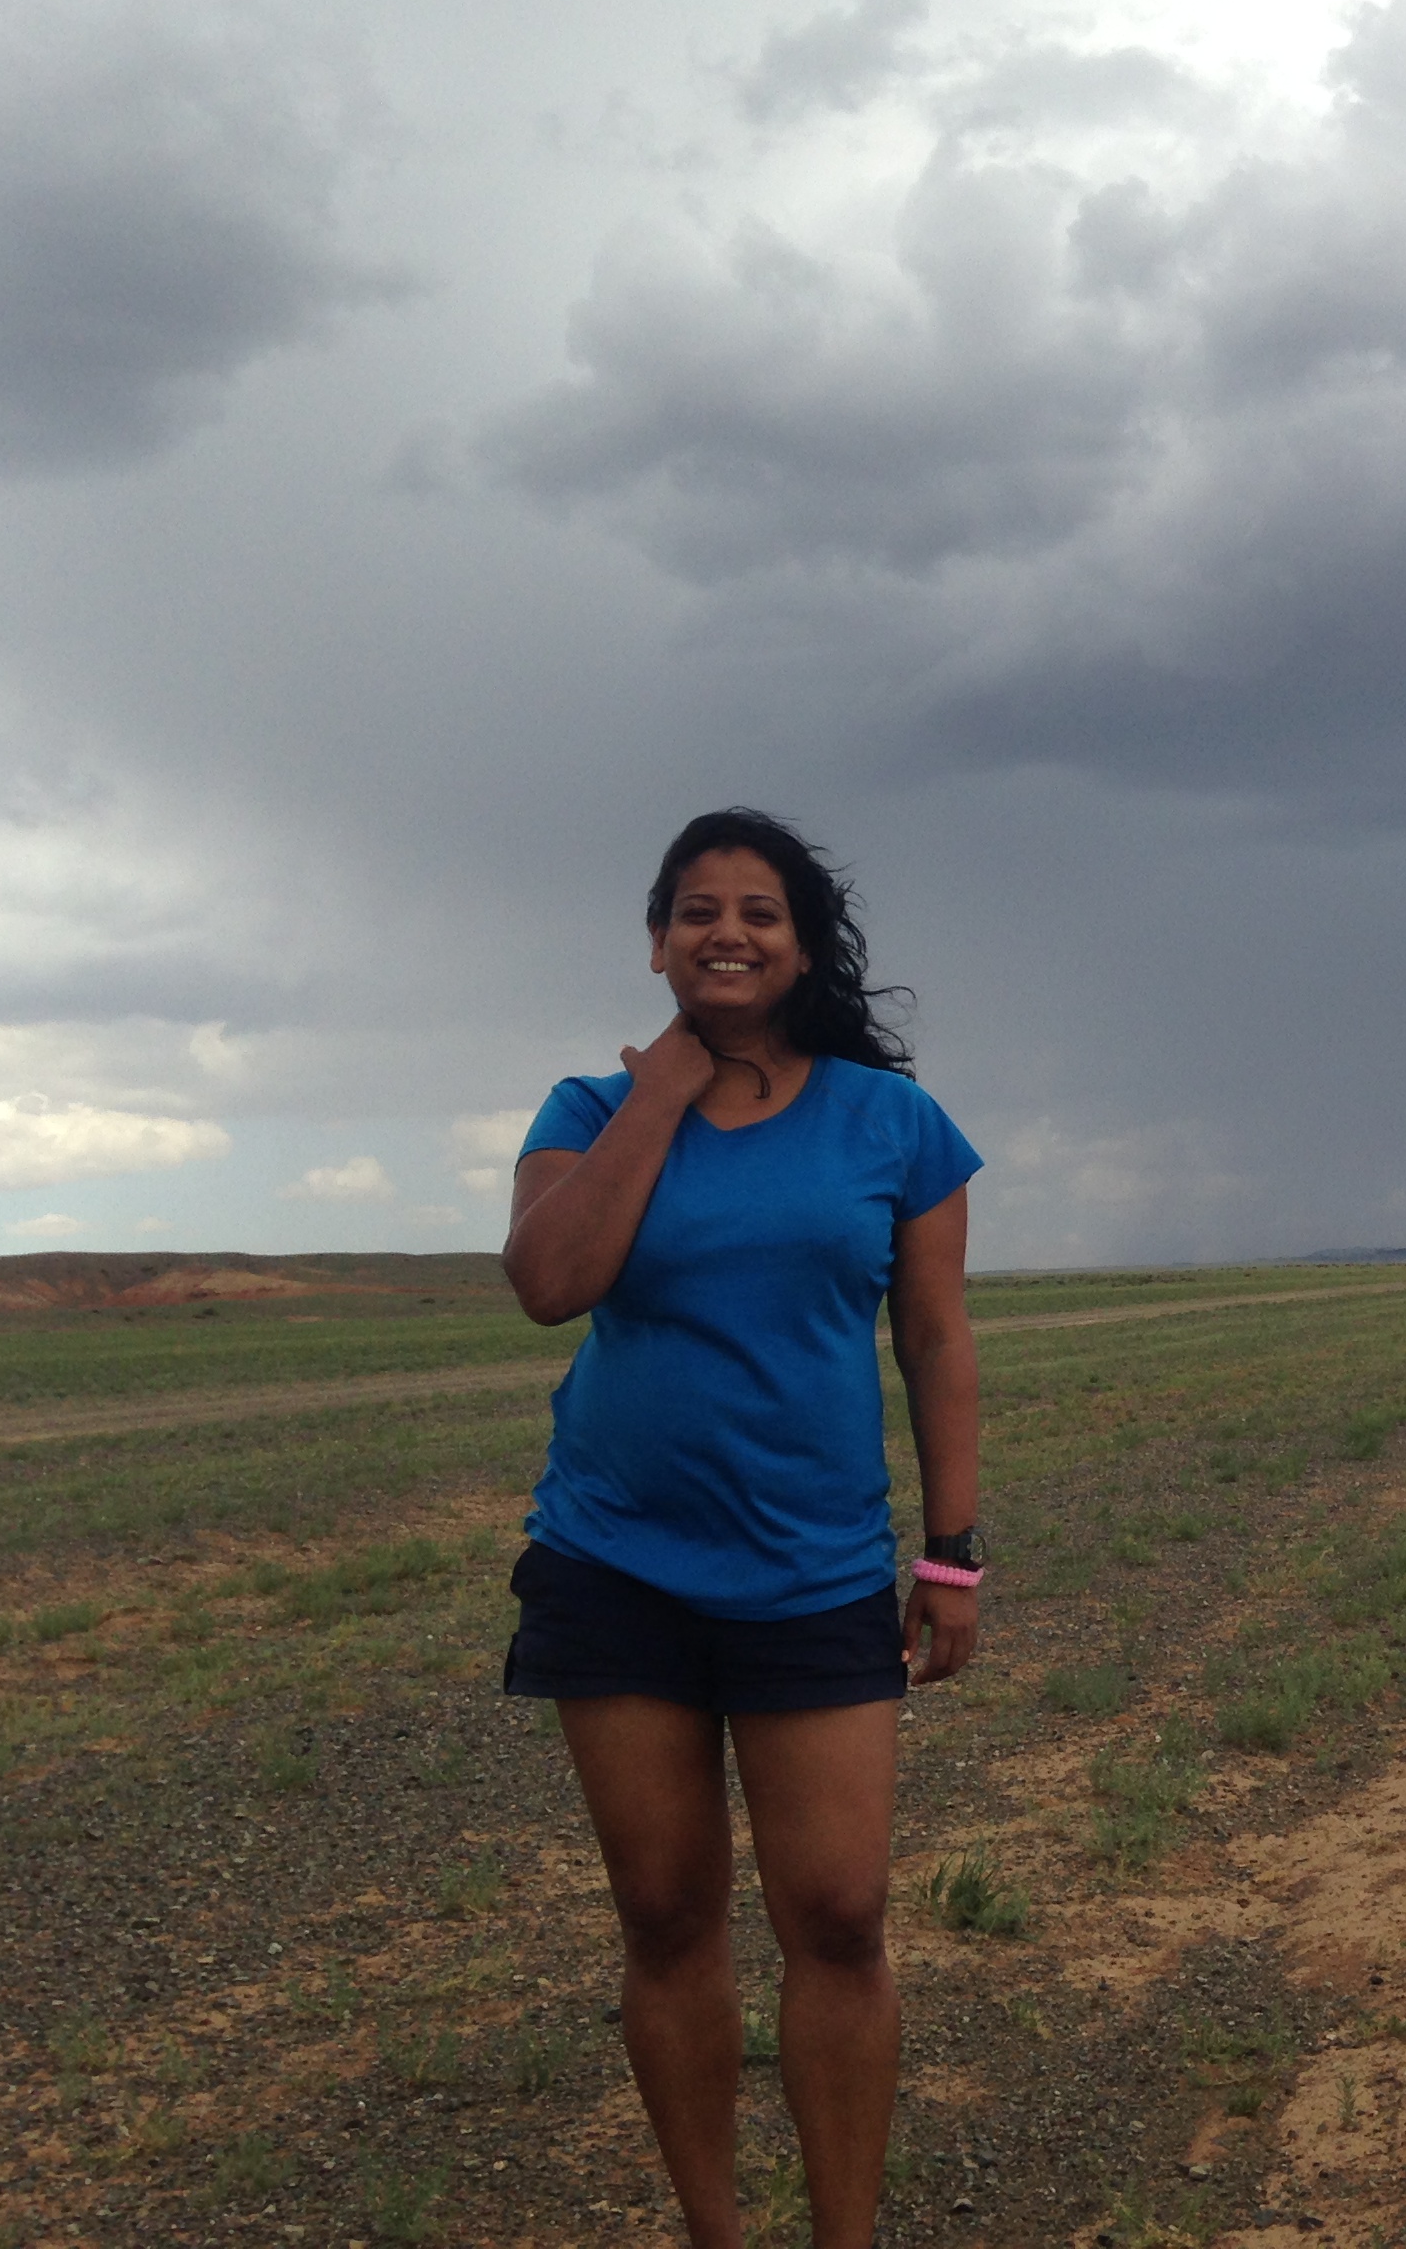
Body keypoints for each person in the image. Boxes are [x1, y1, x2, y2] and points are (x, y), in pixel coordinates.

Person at [500, 808, 986, 2249]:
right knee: (665, 1916)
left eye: (759, 911)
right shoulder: (586, 1110)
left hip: (813, 1570)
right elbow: (548, 1281)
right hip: (615, 1567)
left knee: (837, 1915)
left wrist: (951, 1553)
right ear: (656, 943)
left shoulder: (893, 1124)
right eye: (696, 910)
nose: (728, 931)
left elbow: (939, 1343)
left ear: (801, 943)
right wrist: (661, 1094)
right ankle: (717, 2234)